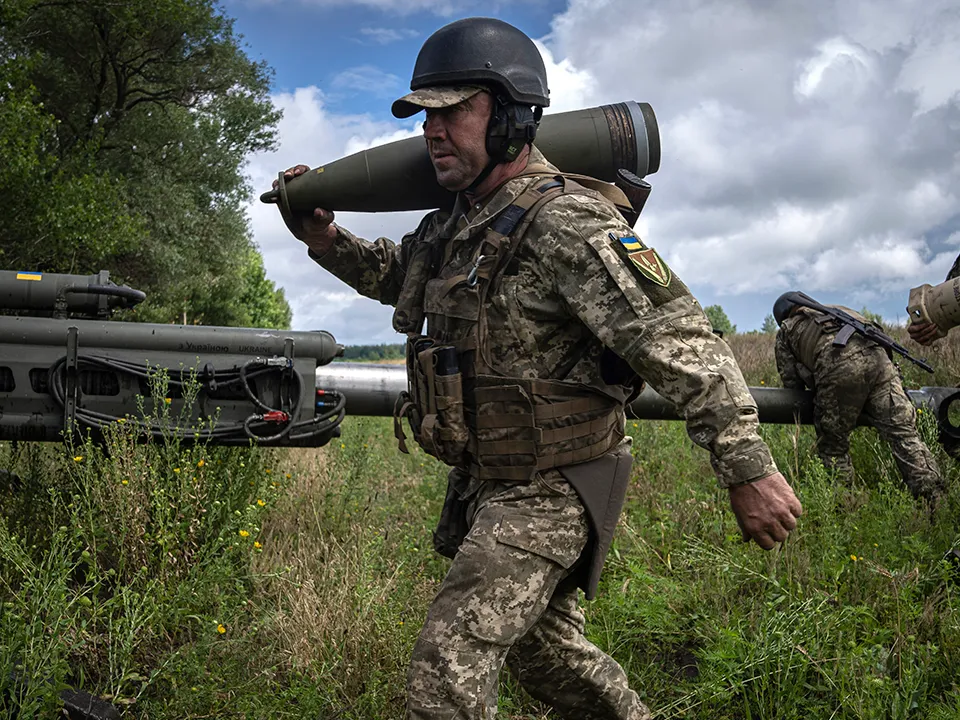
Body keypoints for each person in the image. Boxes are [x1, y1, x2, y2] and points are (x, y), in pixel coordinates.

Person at [276, 17, 803, 719]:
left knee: (447, 665)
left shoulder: (570, 222)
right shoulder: (454, 221)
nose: (433, 130)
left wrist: (748, 469)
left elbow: (682, 342)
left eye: (454, 110)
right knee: (549, 658)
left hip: (555, 485)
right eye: (424, 115)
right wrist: (326, 238)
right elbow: (400, 275)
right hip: (490, 482)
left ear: (513, 116)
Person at [773, 292, 943, 504]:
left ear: (782, 316)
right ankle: (935, 500)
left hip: (839, 369)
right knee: (905, 437)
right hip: (881, 362)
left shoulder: (787, 329)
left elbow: (791, 384)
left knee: (833, 448)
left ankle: (843, 510)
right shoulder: (839, 309)